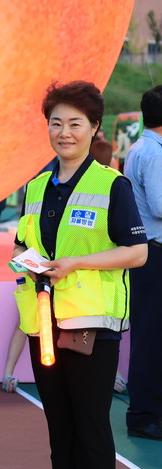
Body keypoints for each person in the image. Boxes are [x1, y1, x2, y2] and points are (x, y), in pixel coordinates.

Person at [13, 81, 147, 469]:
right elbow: (23, 245)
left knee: (90, 430)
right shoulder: (35, 187)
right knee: (60, 430)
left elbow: (137, 252)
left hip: (91, 326)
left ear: (94, 128)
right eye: (56, 123)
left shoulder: (112, 185)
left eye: (75, 123)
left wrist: (76, 264)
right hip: (44, 323)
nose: (64, 132)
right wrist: (28, 261)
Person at [123, 84, 162, 440]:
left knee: (149, 335)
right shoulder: (154, 153)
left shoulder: (140, 147)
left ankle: (147, 411)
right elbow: (160, 206)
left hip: (146, 253)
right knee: (150, 336)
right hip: (154, 252)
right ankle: (145, 415)